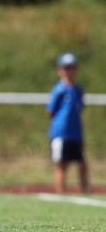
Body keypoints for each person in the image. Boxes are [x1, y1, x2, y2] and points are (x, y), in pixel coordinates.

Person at [46, 53, 89, 194]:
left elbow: (79, 111)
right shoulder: (59, 89)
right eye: (66, 68)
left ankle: (85, 192)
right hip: (61, 133)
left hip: (75, 134)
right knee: (62, 164)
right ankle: (61, 193)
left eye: (72, 68)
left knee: (82, 163)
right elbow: (50, 111)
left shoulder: (78, 90)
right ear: (61, 70)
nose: (70, 71)